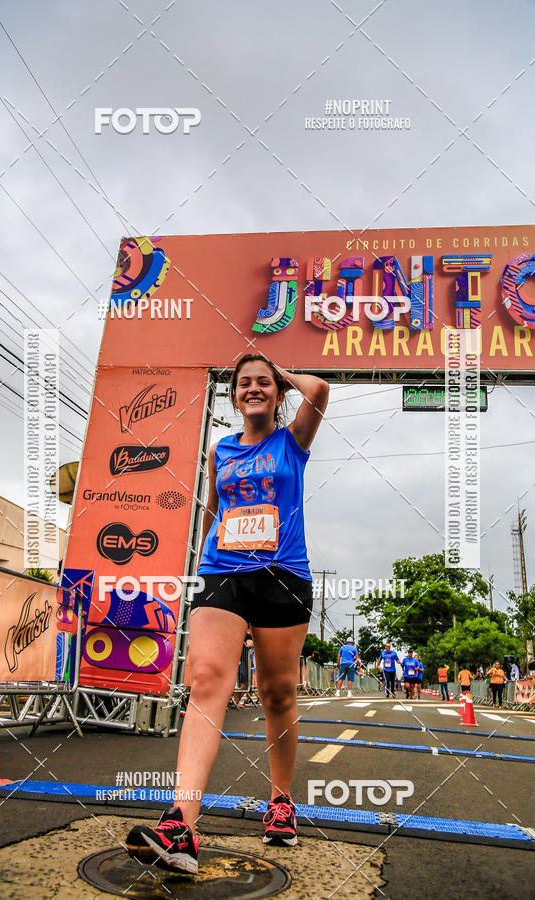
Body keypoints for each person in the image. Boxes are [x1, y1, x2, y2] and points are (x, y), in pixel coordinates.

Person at [125, 353, 329, 873]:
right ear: (234, 396)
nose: (253, 389)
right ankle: (181, 824)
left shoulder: (292, 442)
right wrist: (201, 563)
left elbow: (319, 390)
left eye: (263, 383)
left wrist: (280, 373)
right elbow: (213, 509)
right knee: (206, 681)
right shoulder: (222, 449)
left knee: (277, 693)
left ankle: (280, 801)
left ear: (278, 393)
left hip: (283, 575)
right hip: (223, 571)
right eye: (244, 384)